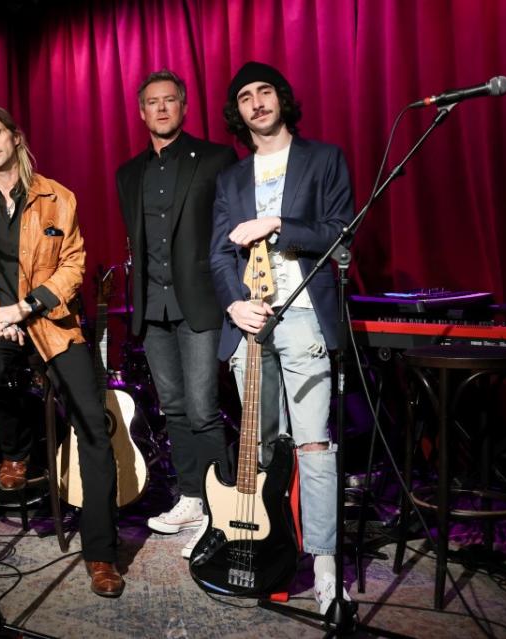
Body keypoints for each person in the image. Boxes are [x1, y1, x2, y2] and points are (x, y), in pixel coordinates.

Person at [0, 105, 123, 597]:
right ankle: (18, 451)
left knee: (92, 421)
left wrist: (23, 310)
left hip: (48, 322)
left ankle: (102, 555)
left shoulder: (58, 197)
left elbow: (73, 266)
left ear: (15, 137)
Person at [210, 61, 354, 613]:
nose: (256, 102)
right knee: (264, 449)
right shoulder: (229, 178)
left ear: (281, 99)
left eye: (265, 91)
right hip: (249, 321)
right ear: (238, 112)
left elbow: (342, 233)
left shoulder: (323, 159)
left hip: (304, 316)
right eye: (245, 96)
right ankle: (272, 552)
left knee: (313, 444)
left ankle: (324, 568)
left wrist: (276, 226)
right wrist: (233, 303)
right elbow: (219, 254)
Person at [115, 70, 237, 558]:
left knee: (206, 408)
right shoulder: (128, 173)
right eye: (152, 102)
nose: (161, 109)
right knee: (175, 409)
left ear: (184, 107)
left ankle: (223, 503)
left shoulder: (216, 158)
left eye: (170, 101)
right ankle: (191, 498)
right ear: (141, 111)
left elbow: (229, 229)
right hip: (152, 306)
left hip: (200, 301)